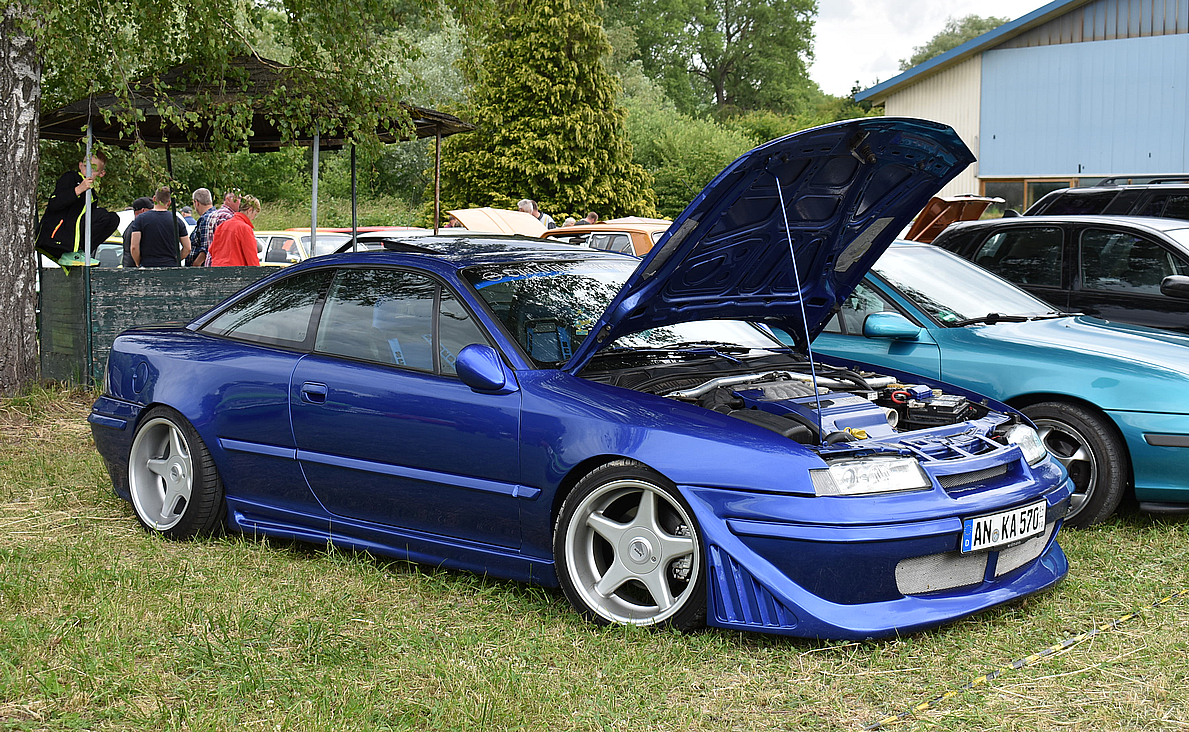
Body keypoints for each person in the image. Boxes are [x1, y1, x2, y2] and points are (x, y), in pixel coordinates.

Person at [35, 151, 121, 266]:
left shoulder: (93, 194)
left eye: (93, 169)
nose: (88, 172)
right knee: (102, 215)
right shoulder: (70, 177)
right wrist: (78, 189)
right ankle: (74, 250)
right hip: (55, 236)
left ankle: (81, 251)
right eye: (86, 167)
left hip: (74, 236)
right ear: (80, 166)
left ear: (101, 173)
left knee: (112, 218)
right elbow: (54, 203)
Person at [130, 187, 191, 268]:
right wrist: (176, 260)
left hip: (148, 266)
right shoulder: (177, 220)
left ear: (154, 199)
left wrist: (138, 263)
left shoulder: (140, 219)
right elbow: (187, 248)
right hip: (170, 267)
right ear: (169, 202)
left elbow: (134, 247)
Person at [208, 195, 262, 266]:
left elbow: (211, 250)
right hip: (236, 270)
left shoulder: (222, 225)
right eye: (255, 215)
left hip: (217, 268)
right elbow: (252, 258)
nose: (253, 218)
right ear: (249, 210)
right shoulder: (245, 228)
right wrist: (257, 271)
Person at [120, 197, 154, 268]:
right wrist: (138, 264)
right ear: (143, 210)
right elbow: (134, 248)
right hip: (134, 269)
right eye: (151, 211)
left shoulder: (130, 227)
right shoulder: (136, 229)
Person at [187, 188, 217, 266]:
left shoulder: (206, 219)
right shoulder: (216, 215)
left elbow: (206, 248)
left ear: (196, 202)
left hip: (202, 268)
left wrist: (196, 265)